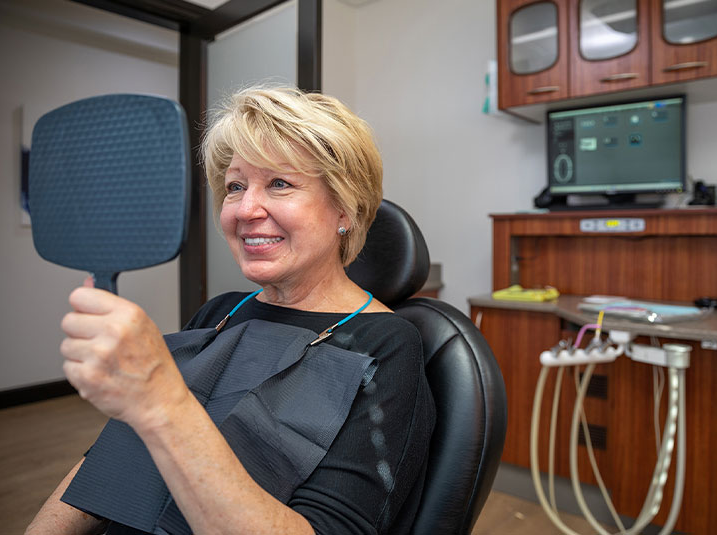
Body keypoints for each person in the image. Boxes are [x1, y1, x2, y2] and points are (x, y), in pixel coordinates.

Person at [26, 86, 435, 535]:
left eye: (279, 183)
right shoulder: (220, 313)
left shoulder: (388, 346)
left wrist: (161, 399)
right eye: (235, 186)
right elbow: (113, 458)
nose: (244, 209)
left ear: (346, 209)